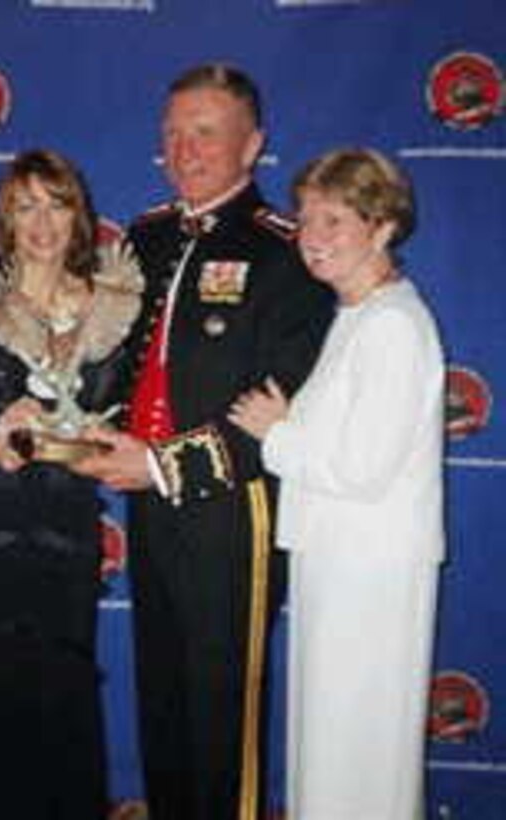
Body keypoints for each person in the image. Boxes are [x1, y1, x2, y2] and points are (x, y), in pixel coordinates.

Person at [74, 63, 334, 820]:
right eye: (174, 133)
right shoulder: (147, 238)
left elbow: (277, 412)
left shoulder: (285, 254)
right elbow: (121, 366)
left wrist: (157, 464)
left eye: (206, 133)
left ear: (252, 146)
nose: (185, 149)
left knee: (222, 706)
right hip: (147, 503)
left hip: (232, 511)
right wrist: (89, 423)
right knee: (163, 693)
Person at [0, 148, 143, 819]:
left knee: (56, 696)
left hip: (61, 533)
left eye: (56, 203)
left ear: (78, 215)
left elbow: (112, 416)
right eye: (24, 206)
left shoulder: (113, 304)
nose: (41, 222)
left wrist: (85, 444)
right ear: (4, 220)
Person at [228, 147, 445, 820]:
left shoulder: (390, 327)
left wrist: (276, 433)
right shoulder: (358, 316)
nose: (312, 237)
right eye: (305, 218)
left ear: (382, 228)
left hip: (370, 571)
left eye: (334, 220)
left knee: (359, 753)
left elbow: (363, 466)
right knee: (333, 747)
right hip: (341, 562)